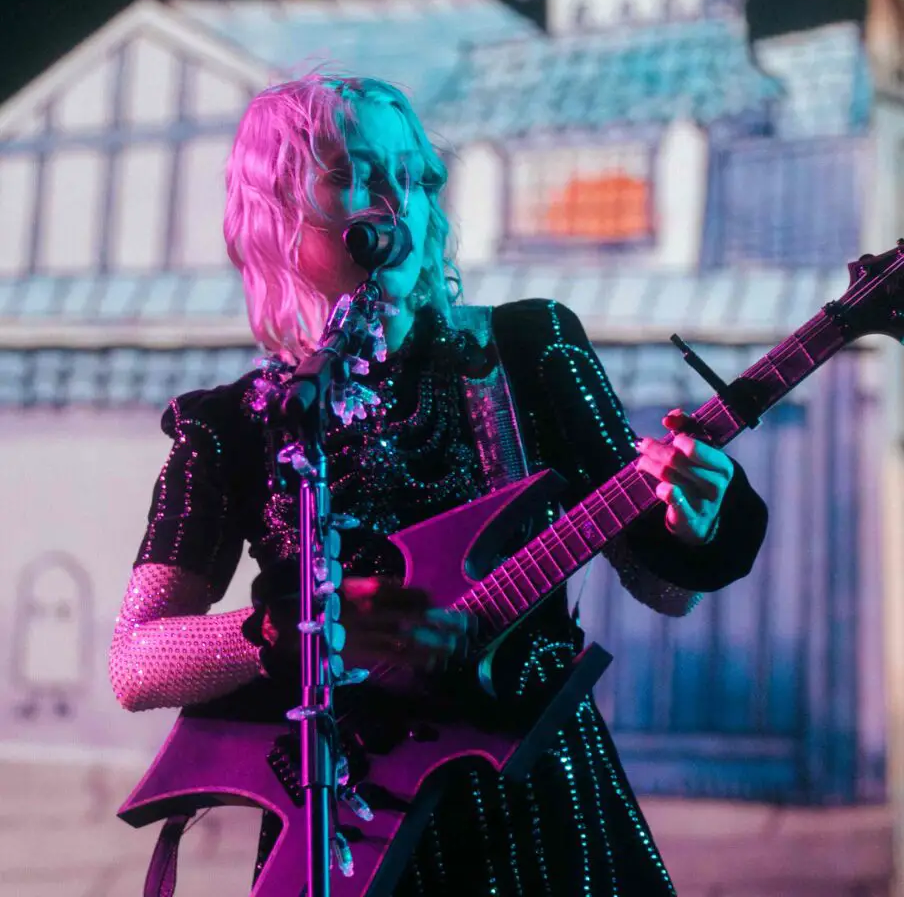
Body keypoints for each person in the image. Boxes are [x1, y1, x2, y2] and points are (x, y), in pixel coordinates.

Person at [109, 73, 768, 896]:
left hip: (540, 809)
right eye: (355, 171)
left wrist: (695, 518)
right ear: (276, 202)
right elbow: (138, 662)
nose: (397, 201)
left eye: (416, 177)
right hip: (347, 828)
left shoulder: (530, 348)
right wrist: (291, 627)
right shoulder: (232, 422)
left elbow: (661, 587)